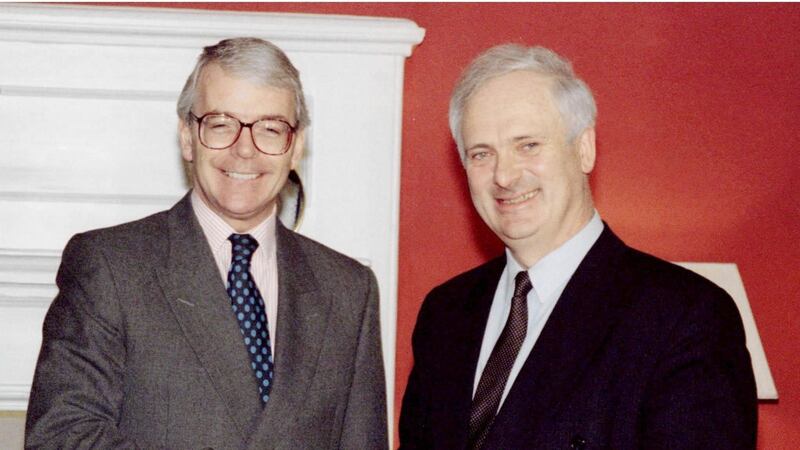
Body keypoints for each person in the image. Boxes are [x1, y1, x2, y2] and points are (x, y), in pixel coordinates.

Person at [25, 37, 387, 449]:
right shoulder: (110, 266)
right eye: (221, 124)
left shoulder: (348, 290)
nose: (244, 150)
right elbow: (63, 437)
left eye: (270, 129)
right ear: (187, 137)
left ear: (295, 147)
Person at [399, 44, 757, 449]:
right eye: (482, 154)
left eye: (528, 145)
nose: (504, 175)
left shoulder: (684, 317)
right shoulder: (445, 314)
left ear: (584, 148)